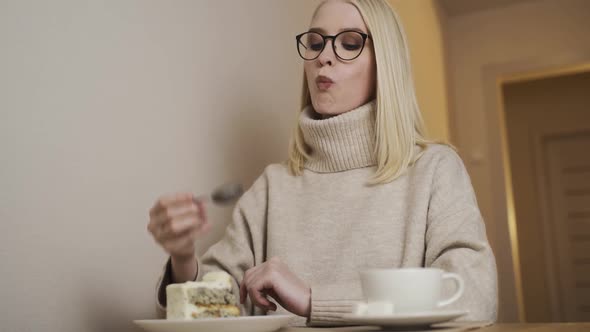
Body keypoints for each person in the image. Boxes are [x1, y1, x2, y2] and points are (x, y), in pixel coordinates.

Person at [147, 0, 498, 326]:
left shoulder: (435, 170)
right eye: (315, 43)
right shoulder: (272, 187)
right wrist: (182, 258)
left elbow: (474, 295)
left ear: (385, 64)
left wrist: (315, 300)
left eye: (348, 43)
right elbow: (214, 311)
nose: (323, 58)